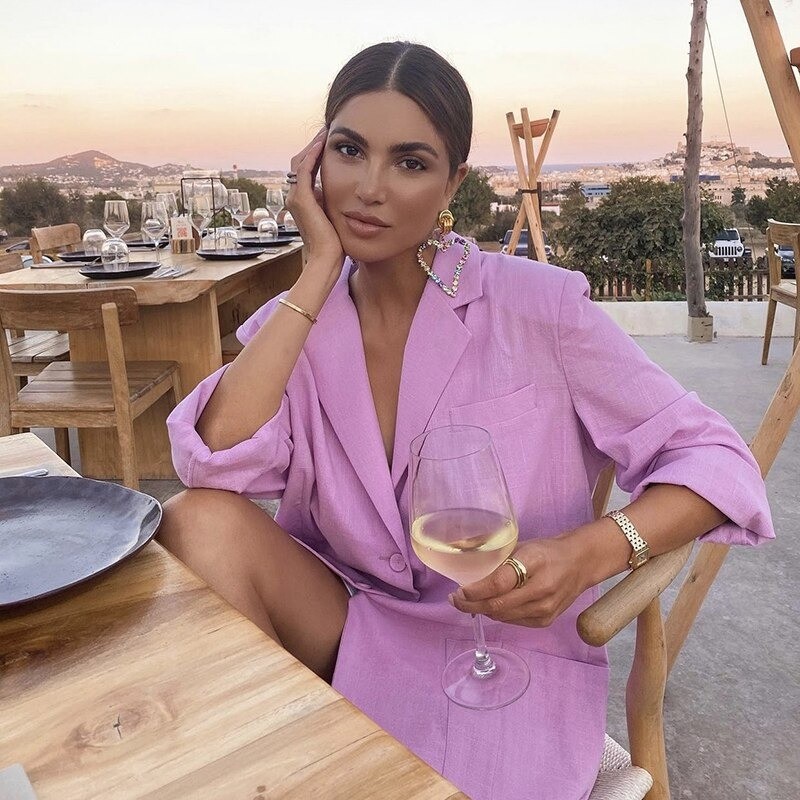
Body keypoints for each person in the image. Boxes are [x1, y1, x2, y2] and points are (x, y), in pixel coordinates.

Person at [161, 41, 774, 800]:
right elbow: (211, 465)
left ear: (453, 181)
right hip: (350, 625)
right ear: (313, 164)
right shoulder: (298, 328)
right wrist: (316, 270)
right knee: (196, 521)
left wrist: (589, 553)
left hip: (505, 651)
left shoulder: (537, 306)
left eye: (410, 162)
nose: (369, 189)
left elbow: (717, 457)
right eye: (349, 151)